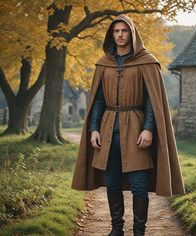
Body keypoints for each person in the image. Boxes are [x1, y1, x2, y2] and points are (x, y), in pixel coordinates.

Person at [71, 14, 186, 236]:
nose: (120, 35)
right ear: (111, 35)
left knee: (139, 184)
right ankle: (117, 229)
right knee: (112, 182)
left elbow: (152, 100)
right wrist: (94, 127)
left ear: (132, 34)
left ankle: (139, 231)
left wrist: (148, 129)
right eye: (116, 31)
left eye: (124, 31)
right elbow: (98, 100)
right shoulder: (104, 63)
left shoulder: (146, 61)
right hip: (107, 131)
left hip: (136, 129)